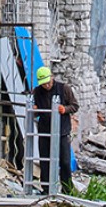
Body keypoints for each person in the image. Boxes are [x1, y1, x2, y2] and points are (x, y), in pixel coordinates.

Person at [32, 66, 80, 194]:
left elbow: (75, 106)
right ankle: (46, 189)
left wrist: (65, 109)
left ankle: (67, 189)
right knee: (45, 160)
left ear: (52, 78)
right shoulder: (37, 92)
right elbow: (33, 114)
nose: (47, 86)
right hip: (45, 130)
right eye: (43, 84)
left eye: (48, 82)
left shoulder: (64, 89)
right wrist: (35, 110)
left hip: (61, 131)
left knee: (64, 161)